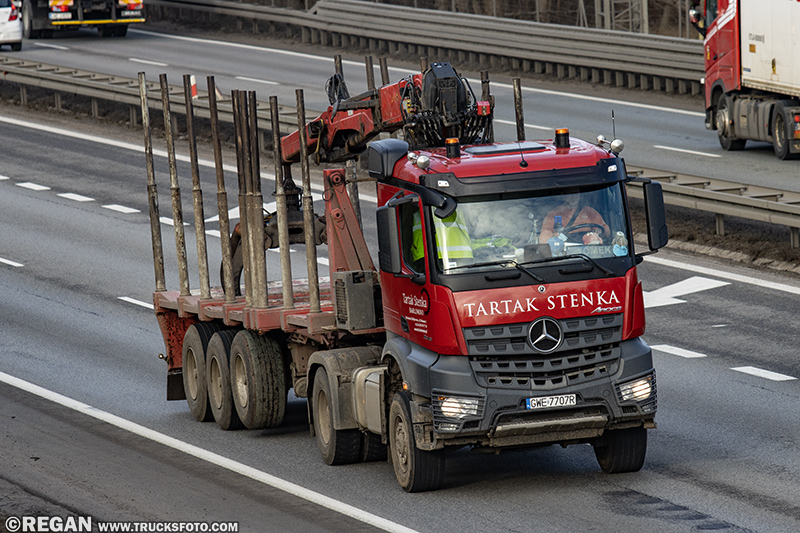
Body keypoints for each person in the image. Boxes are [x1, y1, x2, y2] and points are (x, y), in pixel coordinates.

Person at [538, 193, 610, 245]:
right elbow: (545, 235)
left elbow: (605, 229)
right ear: (563, 196)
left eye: (576, 193)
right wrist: (553, 243)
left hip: (588, 250)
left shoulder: (589, 212)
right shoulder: (554, 214)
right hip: (564, 252)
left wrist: (598, 232)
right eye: (570, 194)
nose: (573, 197)